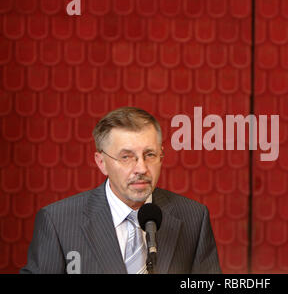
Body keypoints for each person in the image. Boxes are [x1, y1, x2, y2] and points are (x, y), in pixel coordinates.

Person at [21, 107, 221, 274]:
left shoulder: (194, 218)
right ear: (102, 163)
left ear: (161, 157)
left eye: (149, 154)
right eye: (126, 157)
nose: (141, 168)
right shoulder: (58, 222)